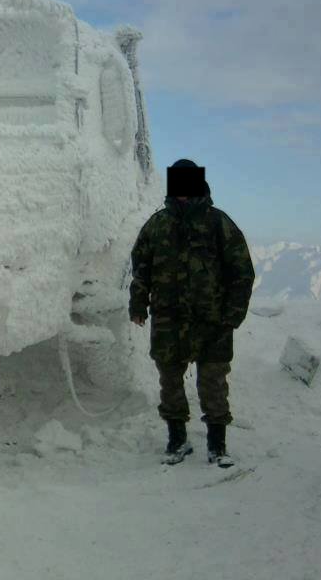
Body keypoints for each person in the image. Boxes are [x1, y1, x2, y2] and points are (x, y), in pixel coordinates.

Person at [129, 159, 255, 467]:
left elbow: (242, 272)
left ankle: (217, 445)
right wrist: (138, 303)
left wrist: (233, 315)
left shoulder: (218, 223)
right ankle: (177, 441)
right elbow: (140, 269)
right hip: (168, 321)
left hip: (212, 322)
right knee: (170, 382)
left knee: (213, 382)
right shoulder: (157, 225)